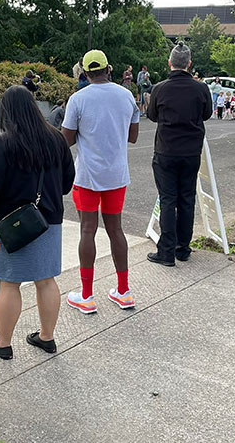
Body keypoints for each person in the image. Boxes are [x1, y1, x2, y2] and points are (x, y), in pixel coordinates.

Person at [0, 85, 75, 359]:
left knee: (9, 284)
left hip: (12, 225)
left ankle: (4, 343)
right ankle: (46, 337)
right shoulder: (56, 139)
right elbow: (67, 183)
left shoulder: (3, 143)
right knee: (46, 281)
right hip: (49, 222)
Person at [61, 49, 139, 314]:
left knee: (87, 230)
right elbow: (133, 136)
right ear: (109, 69)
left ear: (84, 72)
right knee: (116, 230)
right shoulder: (126, 95)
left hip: (88, 176)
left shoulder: (77, 99)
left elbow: (67, 140)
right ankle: (124, 290)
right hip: (117, 175)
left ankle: (86, 295)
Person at [146, 42, 212, 266]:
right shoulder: (201, 89)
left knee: (168, 200)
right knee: (187, 199)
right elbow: (207, 114)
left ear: (170, 63)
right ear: (189, 64)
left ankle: (165, 251)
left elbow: (152, 115)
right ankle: (182, 247)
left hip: (166, 150)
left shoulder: (159, 88)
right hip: (191, 151)